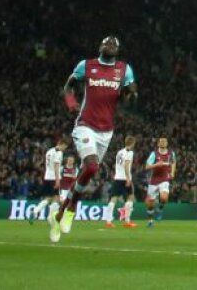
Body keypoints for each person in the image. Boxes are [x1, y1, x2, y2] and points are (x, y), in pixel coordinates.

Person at [49, 36, 137, 244]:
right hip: (85, 125)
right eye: (107, 43)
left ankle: (59, 214)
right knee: (91, 166)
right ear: (100, 47)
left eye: (114, 44)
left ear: (118, 50)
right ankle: (71, 208)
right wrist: (71, 103)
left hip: (106, 131)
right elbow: (68, 86)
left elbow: (131, 95)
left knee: (86, 172)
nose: (110, 46)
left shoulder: (124, 70)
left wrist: (131, 96)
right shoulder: (87, 65)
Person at [142, 136, 176, 228]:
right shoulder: (154, 154)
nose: (163, 142)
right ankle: (150, 221)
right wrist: (156, 164)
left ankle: (160, 209)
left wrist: (172, 172)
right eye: (161, 141)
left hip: (164, 178)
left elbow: (173, 163)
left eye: (165, 141)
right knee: (150, 203)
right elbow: (147, 166)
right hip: (154, 180)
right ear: (158, 144)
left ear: (167, 143)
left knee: (164, 198)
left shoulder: (171, 153)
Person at [104, 135, 137, 228]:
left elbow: (118, 165)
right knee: (130, 197)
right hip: (125, 178)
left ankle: (108, 221)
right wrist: (128, 178)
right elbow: (126, 165)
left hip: (117, 178)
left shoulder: (119, 152)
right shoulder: (130, 152)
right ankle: (127, 221)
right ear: (133, 143)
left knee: (113, 198)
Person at [33, 138, 68, 225]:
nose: (64, 149)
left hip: (47, 176)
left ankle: (36, 210)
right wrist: (57, 180)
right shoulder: (59, 153)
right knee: (56, 198)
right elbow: (56, 166)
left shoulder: (49, 151)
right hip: (54, 178)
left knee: (49, 198)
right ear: (61, 144)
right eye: (65, 147)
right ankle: (50, 217)